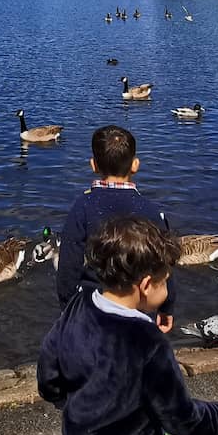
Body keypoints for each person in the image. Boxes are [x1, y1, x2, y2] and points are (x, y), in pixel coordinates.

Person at [39, 216, 218, 435]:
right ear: (147, 285)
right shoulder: (148, 343)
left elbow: (48, 366)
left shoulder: (78, 306)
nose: (168, 289)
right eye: (166, 282)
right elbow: (184, 419)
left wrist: (64, 400)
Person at [56, 125, 176, 332]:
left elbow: (69, 264)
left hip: (92, 306)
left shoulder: (83, 207)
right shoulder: (150, 210)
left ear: (93, 165)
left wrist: (68, 307)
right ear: (135, 165)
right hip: (135, 302)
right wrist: (166, 306)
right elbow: (164, 262)